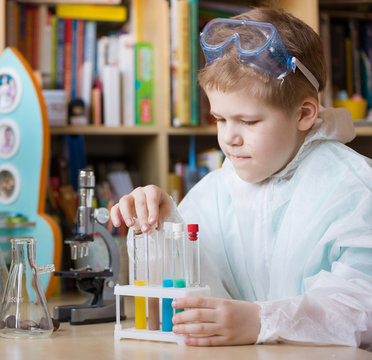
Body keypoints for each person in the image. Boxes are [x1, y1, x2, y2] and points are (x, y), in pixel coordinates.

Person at [110, 7, 372, 350]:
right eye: (220, 118)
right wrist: (161, 225)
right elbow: (186, 297)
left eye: (248, 121)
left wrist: (263, 320)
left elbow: (361, 308)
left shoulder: (353, 189)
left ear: (304, 114)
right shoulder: (217, 190)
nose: (229, 138)